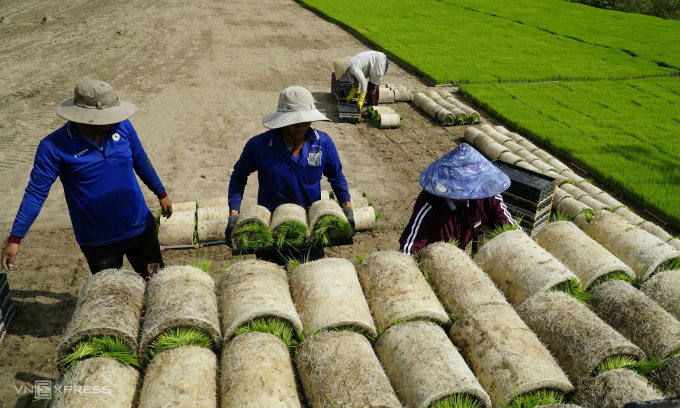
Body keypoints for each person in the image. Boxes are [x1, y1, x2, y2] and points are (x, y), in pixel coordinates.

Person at [1, 79, 172, 278]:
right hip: (98, 241)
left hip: (140, 228)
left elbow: (140, 160)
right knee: (110, 295)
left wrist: (161, 192)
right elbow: (36, 193)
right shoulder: (52, 147)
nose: (113, 120)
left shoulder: (122, 127)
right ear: (84, 117)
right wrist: (15, 238)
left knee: (155, 279)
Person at [226, 86, 353, 260]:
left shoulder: (323, 142)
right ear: (283, 120)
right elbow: (239, 176)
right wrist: (234, 214)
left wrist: (347, 207)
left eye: (305, 120)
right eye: (294, 121)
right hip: (270, 228)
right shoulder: (259, 145)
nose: (300, 126)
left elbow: (336, 176)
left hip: (310, 225)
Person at [399, 143, 517, 255]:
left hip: (459, 258)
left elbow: (511, 230)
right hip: (431, 260)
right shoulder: (429, 204)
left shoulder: (487, 196)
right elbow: (409, 249)